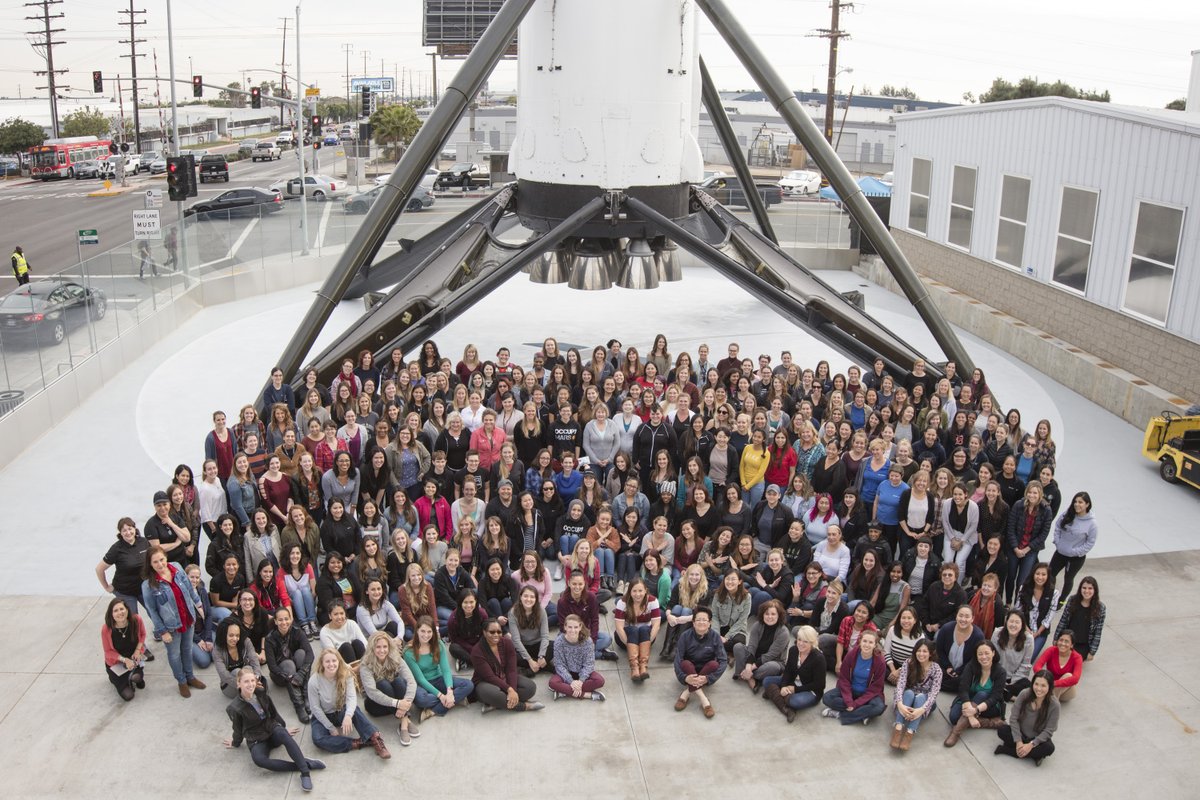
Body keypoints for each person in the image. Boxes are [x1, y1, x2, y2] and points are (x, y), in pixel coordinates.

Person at [224, 667, 325, 793]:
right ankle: (305, 764)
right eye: (246, 681)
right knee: (259, 760)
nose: (250, 684)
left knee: (283, 733)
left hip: (271, 729)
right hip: (256, 739)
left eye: (252, 680)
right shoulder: (234, 708)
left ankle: (305, 773)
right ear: (238, 683)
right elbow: (237, 729)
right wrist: (235, 742)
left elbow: (273, 713)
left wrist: (283, 728)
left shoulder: (261, 693)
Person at [141, 545, 207, 697]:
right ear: (150, 564)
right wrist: (162, 631)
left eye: (162, 559)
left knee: (187, 649)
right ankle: (181, 681)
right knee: (174, 654)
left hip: (187, 618)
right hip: (171, 627)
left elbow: (189, 589)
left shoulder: (177, 568)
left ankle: (190, 677)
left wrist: (198, 605)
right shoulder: (148, 585)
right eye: (155, 562)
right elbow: (152, 610)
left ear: (166, 557)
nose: (160, 564)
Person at [307, 648, 390, 758]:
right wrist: (330, 728)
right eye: (327, 661)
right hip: (323, 715)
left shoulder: (346, 674)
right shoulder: (314, 681)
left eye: (334, 660)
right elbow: (315, 708)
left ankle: (375, 738)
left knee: (354, 709)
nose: (331, 664)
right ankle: (358, 743)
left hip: (341, 709)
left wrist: (348, 716)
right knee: (318, 739)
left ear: (339, 661)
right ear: (322, 663)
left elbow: (351, 698)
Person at [403, 616, 474, 718]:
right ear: (417, 631)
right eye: (423, 631)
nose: (426, 635)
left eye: (429, 632)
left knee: (468, 685)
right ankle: (456, 699)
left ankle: (434, 710)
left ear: (433, 632)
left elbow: (446, 670)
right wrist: (441, 696)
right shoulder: (408, 652)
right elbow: (421, 679)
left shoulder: (438, 644)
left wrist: (450, 691)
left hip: (438, 678)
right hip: (422, 684)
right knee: (420, 700)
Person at [358, 632, 420, 746]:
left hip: (395, 703)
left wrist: (406, 702)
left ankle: (403, 724)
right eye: (378, 647)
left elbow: (411, 681)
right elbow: (372, 692)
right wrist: (398, 703)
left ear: (389, 647)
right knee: (383, 684)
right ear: (372, 648)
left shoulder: (396, 658)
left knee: (399, 681)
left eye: (385, 646)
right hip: (376, 704)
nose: (382, 650)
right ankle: (405, 720)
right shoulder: (365, 664)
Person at [471, 618, 545, 713]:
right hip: (485, 682)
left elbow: (511, 670)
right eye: (492, 632)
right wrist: (509, 690)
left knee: (530, 687)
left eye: (499, 632)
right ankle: (526, 706)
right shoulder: (477, 651)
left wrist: (513, 690)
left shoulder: (507, 643)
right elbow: (490, 677)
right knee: (495, 694)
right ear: (484, 632)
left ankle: (496, 704)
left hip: (504, 676)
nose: (496, 635)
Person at [944, 639, 1007, 747]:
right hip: (968, 701)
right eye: (980, 654)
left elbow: (995, 697)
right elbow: (963, 689)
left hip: (989, 706)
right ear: (976, 655)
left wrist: (976, 710)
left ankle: (955, 733)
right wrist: (971, 716)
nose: (984, 657)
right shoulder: (971, 666)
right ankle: (992, 723)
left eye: (987, 653)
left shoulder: (1000, 671)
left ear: (993, 653)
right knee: (954, 718)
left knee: (982, 694)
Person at [820, 628, 887, 725]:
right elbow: (844, 679)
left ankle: (839, 714)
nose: (867, 645)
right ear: (860, 642)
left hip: (868, 693)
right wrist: (848, 700)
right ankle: (862, 714)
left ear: (875, 645)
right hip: (850, 690)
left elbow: (876, 688)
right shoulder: (852, 655)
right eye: (864, 641)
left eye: (870, 642)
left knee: (879, 707)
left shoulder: (880, 661)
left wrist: (855, 704)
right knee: (827, 698)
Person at [994, 670, 1060, 766]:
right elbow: (1013, 718)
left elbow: (1049, 730)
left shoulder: (1054, 705)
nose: (1039, 689)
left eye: (1043, 685)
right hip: (1020, 733)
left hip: (1036, 738)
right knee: (1002, 730)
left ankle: (1008, 750)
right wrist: (1018, 741)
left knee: (1049, 748)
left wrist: (1031, 744)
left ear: (1050, 687)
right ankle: (1034, 755)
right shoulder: (1024, 694)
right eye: (1036, 684)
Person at [762, 625, 826, 722]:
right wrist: (784, 686)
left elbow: (819, 685)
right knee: (767, 681)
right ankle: (787, 708)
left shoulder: (818, 658)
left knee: (795, 701)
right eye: (799, 639)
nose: (800, 643)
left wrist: (795, 689)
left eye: (805, 641)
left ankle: (774, 693)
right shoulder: (793, 650)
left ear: (812, 642)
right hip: (793, 682)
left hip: (810, 690)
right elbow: (788, 671)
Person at [673, 606, 727, 718]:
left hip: (706, 671)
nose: (701, 622)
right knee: (685, 663)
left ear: (710, 623)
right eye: (698, 620)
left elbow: (723, 661)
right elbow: (678, 659)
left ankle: (686, 693)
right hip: (689, 670)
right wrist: (684, 678)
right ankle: (704, 700)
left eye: (704, 620)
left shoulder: (715, 637)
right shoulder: (685, 636)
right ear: (693, 623)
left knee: (714, 664)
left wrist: (709, 678)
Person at [264, 606, 314, 722]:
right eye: (280, 620)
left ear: (291, 619)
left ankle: (306, 696)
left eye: (286, 619)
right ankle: (299, 705)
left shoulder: (297, 632)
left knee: (302, 653)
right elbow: (272, 666)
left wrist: (301, 673)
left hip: (297, 670)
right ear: (275, 621)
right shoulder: (269, 639)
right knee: (289, 664)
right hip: (280, 675)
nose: (284, 622)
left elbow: (310, 654)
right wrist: (291, 677)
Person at [1048, 492, 1098, 604]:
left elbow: (1090, 543)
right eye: (1075, 501)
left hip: (1075, 558)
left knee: (1068, 579)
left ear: (1087, 504)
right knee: (1050, 575)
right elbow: (1057, 527)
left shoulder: (1092, 523)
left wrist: (1075, 552)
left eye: (1080, 502)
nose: (1077, 504)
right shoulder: (1068, 514)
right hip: (1060, 553)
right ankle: (1049, 596)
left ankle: (1061, 601)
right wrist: (1058, 542)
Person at [731, 599, 788, 692]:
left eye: (773, 614)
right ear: (762, 615)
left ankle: (745, 674)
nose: (769, 617)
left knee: (773, 667)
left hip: (772, 661)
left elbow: (771, 655)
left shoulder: (783, 632)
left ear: (779, 615)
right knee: (738, 647)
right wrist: (749, 666)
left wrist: (750, 668)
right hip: (755, 657)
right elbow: (752, 647)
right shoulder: (757, 625)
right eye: (767, 614)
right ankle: (749, 677)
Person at [614, 577, 662, 682]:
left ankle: (643, 666)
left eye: (640, 590)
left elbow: (656, 625)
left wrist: (647, 643)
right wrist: (632, 644)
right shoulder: (622, 602)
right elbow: (619, 628)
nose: (637, 594)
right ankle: (634, 668)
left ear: (645, 591)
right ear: (630, 592)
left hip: (645, 638)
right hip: (626, 638)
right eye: (634, 591)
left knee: (644, 628)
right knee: (633, 629)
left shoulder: (653, 601)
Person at [100, 597, 148, 701]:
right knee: (128, 696)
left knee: (137, 678)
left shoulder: (136, 620)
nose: (120, 613)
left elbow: (143, 634)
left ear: (127, 610)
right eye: (115, 610)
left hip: (133, 658)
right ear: (111, 614)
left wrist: (138, 651)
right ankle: (116, 679)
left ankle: (135, 677)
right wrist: (124, 660)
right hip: (117, 663)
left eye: (122, 609)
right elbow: (108, 651)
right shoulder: (106, 629)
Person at [550, 614, 606, 701]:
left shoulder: (587, 641)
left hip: (582, 672)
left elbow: (589, 664)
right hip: (567, 672)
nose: (573, 630)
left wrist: (580, 681)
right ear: (565, 627)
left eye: (576, 627)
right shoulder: (559, 641)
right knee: (552, 683)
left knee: (600, 681)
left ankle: (564, 691)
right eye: (570, 627)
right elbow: (559, 664)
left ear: (580, 627)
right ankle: (588, 695)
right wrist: (571, 681)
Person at [1054, 576, 1106, 661]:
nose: (1086, 591)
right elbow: (1063, 621)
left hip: (1083, 645)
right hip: (1067, 640)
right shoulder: (1072, 600)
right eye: (1084, 588)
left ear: (1095, 590)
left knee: (1072, 663)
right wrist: (1056, 638)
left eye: (1090, 588)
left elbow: (1098, 632)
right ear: (1080, 589)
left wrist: (1092, 652)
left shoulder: (1101, 608)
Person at [936, 604, 985, 692]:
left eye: (967, 617)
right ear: (956, 616)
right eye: (960, 615)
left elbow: (974, 659)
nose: (963, 619)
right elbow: (939, 650)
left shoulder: (978, 636)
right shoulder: (946, 629)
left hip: (964, 670)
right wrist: (948, 667)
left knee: (963, 680)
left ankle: (940, 684)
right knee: (935, 671)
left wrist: (958, 671)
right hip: (945, 666)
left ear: (972, 619)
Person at [1033, 631, 1084, 702]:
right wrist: (1045, 679)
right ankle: (1047, 699)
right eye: (1061, 640)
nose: (1063, 643)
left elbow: (1075, 678)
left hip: (1065, 692)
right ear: (1057, 641)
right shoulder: (1051, 650)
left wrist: (1053, 683)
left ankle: (1048, 702)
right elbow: (1037, 667)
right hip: (1048, 686)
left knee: (1068, 675)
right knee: (1040, 676)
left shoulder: (1077, 657)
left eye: (1066, 641)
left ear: (1072, 645)